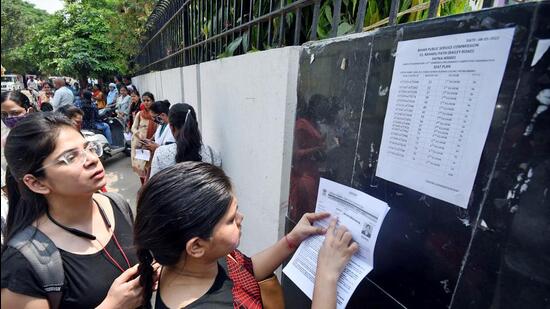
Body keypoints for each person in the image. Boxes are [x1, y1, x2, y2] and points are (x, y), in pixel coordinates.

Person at [134, 162, 358, 308]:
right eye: (230, 220)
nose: (241, 218)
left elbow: (244, 270)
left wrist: (291, 241)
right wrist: (327, 274)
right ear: (196, 246)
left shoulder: (194, 261)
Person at [1, 112, 144, 308]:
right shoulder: (23, 263)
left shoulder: (116, 204)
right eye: (69, 158)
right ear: (36, 183)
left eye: (88, 148)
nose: (92, 159)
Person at [149, 103, 221, 177]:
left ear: (171, 127)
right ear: (195, 124)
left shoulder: (161, 154)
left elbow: (153, 186)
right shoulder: (213, 153)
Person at [130, 92, 157, 184]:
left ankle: (150, 186)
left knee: (151, 167)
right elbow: (133, 127)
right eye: (144, 100)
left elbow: (159, 128)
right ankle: (143, 186)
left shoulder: (156, 114)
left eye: (148, 100)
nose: (146, 103)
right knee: (141, 167)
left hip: (151, 143)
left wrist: (152, 138)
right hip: (139, 143)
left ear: (153, 101)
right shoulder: (140, 114)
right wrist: (138, 135)